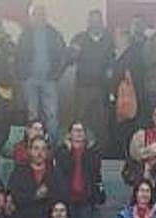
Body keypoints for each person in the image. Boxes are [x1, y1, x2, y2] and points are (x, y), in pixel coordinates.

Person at [16, 2, 67, 141]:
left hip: (49, 80)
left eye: (40, 14)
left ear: (45, 16)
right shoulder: (24, 34)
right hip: (29, 81)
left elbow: (63, 56)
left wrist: (56, 74)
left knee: (52, 115)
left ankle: (52, 147)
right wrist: (23, 76)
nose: (38, 17)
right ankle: (32, 146)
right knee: (32, 115)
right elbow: (18, 57)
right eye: (34, 14)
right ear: (30, 16)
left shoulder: (54, 34)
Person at [68, 9, 115, 154]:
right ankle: (78, 150)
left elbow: (114, 59)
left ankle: (101, 153)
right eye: (92, 20)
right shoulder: (79, 38)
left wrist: (110, 69)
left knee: (102, 124)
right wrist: (73, 53)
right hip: (83, 87)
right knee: (80, 121)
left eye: (97, 20)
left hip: (102, 89)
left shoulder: (109, 39)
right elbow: (69, 60)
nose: (95, 24)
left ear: (102, 22)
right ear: (88, 22)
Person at [9, 135, 68, 218]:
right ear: (29, 151)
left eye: (43, 149)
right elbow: (15, 195)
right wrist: (34, 195)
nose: (39, 153)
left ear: (47, 152)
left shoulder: (55, 172)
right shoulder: (19, 171)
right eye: (36, 149)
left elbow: (62, 196)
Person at [55, 121, 104, 218]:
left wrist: (85, 150)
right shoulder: (62, 152)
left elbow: (94, 169)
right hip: (67, 200)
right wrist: (70, 151)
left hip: (86, 200)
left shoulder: (93, 152)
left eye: (81, 131)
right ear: (69, 135)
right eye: (75, 131)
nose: (78, 134)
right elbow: (63, 168)